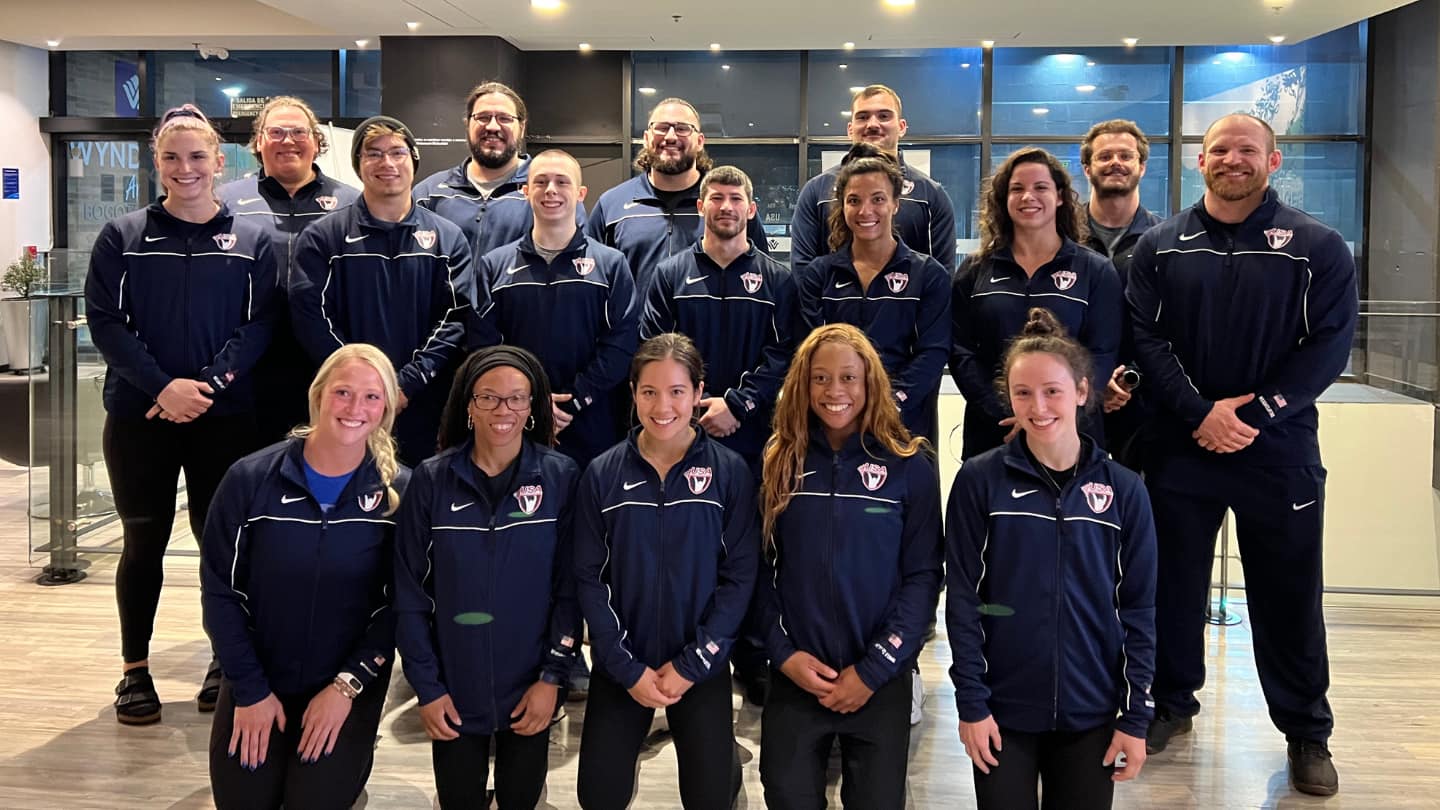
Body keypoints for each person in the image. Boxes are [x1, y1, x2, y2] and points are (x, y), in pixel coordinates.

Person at [1128, 112, 1358, 797]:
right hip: (1182, 447)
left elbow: (1328, 347)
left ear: (1273, 160)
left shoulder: (1317, 246)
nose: (1233, 159)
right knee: (1171, 588)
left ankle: (1306, 732)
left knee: (1289, 596)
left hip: (1278, 451)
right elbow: (1146, 340)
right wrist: (1200, 413)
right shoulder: (1161, 246)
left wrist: (1252, 415)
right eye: (1220, 149)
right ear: (1200, 161)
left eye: (1247, 149)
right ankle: (1170, 703)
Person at [85, 104, 279, 725]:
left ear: (221, 161)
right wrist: (163, 387)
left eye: (197, 156)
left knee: (219, 543)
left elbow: (260, 325)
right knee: (143, 539)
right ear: (156, 162)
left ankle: (224, 661)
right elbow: (106, 323)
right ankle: (135, 670)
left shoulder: (254, 241)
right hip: (140, 416)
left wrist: (208, 385)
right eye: (171, 157)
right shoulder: (122, 236)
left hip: (226, 416)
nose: (185, 167)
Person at [945, 307, 1156, 810]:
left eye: (1052, 391)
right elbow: (963, 600)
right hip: (1002, 711)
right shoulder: (979, 481)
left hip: (1091, 713)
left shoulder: (1124, 491)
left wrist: (1135, 718)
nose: (1038, 407)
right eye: (1023, 393)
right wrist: (971, 702)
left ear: (1082, 391)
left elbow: (1140, 609)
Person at [200, 344, 408, 810]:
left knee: (311, 799)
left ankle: (351, 758)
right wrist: (250, 691)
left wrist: (347, 686)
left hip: (342, 683)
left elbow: (399, 605)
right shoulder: (249, 479)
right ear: (318, 396)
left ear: (387, 407)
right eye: (343, 392)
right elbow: (219, 593)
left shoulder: (400, 493)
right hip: (260, 676)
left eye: (372, 397)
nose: (355, 408)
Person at [755, 323, 943, 809]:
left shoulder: (909, 465)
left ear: (870, 383)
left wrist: (876, 667)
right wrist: (784, 655)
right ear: (802, 384)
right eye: (820, 378)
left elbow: (924, 577)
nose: (834, 391)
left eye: (848, 378)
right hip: (799, 673)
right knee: (787, 795)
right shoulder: (780, 460)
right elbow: (757, 572)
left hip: (878, 676)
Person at [572, 333, 761, 810]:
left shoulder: (729, 473)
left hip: (699, 664)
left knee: (711, 796)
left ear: (698, 393)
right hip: (624, 665)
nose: (663, 406)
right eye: (649, 392)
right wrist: (624, 666)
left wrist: (694, 663)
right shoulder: (602, 474)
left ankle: (723, 765)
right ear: (633, 393)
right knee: (598, 795)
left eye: (677, 391)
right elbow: (589, 578)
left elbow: (739, 578)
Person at [395, 345, 580, 809]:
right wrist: (427, 688)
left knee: (521, 798)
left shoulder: (560, 477)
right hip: (454, 692)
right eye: (489, 398)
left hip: (532, 688)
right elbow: (409, 594)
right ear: (469, 405)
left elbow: (569, 589)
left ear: (532, 407)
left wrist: (553, 678)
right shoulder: (430, 480)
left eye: (517, 398)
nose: (504, 410)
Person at [640, 164, 797, 706]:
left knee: (751, 551)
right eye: (716, 197)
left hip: (754, 440)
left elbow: (785, 354)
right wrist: (688, 410)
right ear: (700, 206)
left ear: (751, 209)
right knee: (689, 549)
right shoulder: (670, 274)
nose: (726, 206)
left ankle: (752, 657)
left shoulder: (777, 279)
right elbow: (655, 350)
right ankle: (688, 654)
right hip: (683, 439)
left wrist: (737, 404)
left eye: (736, 198)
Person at [289, 114, 482, 466]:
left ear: (413, 161)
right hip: (348, 405)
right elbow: (311, 317)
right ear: (358, 165)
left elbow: (454, 318)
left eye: (397, 152)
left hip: (424, 401)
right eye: (373, 154)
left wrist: (407, 383)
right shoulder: (323, 238)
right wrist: (361, 386)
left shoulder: (448, 239)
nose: (387, 163)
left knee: (420, 494)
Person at [950, 146, 1122, 459]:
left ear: (1060, 196)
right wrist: (1013, 411)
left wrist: (1048, 413)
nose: (1028, 196)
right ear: (1003, 199)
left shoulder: (1095, 270)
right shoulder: (974, 271)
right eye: (1017, 189)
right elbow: (961, 353)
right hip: (994, 431)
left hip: (1073, 432)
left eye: (1040, 187)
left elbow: (1102, 354)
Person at [474, 149, 637, 469]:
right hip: (517, 421)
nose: (551, 190)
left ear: (580, 193)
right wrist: (528, 400)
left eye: (562, 182)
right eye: (541, 182)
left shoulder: (611, 265)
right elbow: (484, 348)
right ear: (525, 191)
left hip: (593, 424)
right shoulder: (494, 266)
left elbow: (622, 344)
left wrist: (573, 401)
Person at [219, 96, 361, 445]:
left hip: (327, 359)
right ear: (259, 142)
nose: (288, 141)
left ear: (316, 141)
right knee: (250, 464)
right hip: (245, 364)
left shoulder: (352, 202)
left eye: (298, 132)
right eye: (276, 132)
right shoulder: (224, 201)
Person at [793, 143, 951, 447]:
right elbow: (808, 351)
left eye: (878, 199)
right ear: (842, 205)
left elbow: (932, 352)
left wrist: (888, 403)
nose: (865, 211)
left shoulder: (928, 275)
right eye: (854, 200)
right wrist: (843, 401)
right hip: (834, 420)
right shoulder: (819, 275)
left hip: (903, 423)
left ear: (895, 204)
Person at [585, 96, 770, 292]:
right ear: (646, 138)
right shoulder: (611, 205)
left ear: (700, 141)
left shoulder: (729, 207)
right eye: (661, 128)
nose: (671, 136)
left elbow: (760, 276)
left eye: (682, 128)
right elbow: (591, 282)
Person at [414, 81, 586, 275]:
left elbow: (572, 268)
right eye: (483, 117)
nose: (492, 126)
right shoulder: (429, 194)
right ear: (467, 124)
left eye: (504, 118)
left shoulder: (553, 195)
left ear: (522, 127)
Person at [790, 84, 956, 274]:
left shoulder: (930, 195)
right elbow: (802, 272)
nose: (873, 124)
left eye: (884, 116)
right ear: (850, 129)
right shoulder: (816, 191)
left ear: (901, 127)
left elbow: (943, 275)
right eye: (863, 117)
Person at [1078, 119, 1164, 472]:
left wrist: (1129, 378)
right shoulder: (1060, 239)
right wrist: (1094, 383)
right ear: (1087, 168)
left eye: (1126, 156)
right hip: (1074, 400)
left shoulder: (1165, 242)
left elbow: (1172, 325)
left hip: (1145, 403)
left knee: (1141, 503)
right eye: (1105, 156)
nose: (1115, 162)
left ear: (1142, 166)